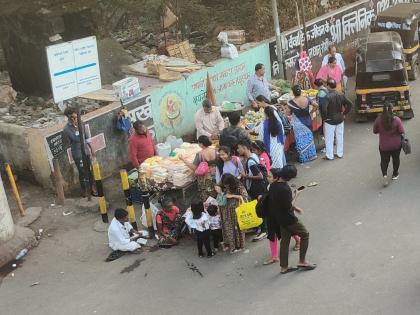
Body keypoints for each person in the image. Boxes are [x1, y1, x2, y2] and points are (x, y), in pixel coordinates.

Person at [266, 166, 316, 274]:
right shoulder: (284, 189)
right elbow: (288, 206)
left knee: (285, 241)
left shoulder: (273, 186)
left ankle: (284, 267)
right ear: (290, 178)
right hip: (289, 219)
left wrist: (296, 208)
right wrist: (297, 196)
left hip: (279, 218)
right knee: (305, 234)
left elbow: (281, 204)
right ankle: (302, 261)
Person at [262, 170, 300, 266]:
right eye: (267, 176)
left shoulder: (282, 188)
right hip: (271, 216)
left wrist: (296, 200)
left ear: (276, 178)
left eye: (270, 176)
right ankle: (274, 256)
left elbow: (288, 205)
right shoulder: (270, 186)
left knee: (288, 230)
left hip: (281, 216)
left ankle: (298, 241)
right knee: (272, 234)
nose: (267, 178)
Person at [237, 140, 269, 241]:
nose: (238, 150)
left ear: (244, 147)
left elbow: (259, 176)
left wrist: (246, 176)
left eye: (239, 148)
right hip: (260, 187)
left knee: (260, 208)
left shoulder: (250, 161)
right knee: (260, 207)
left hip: (257, 187)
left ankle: (264, 230)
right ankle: (260, 228)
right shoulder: (254, 156)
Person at [63, 107, 97, 197]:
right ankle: (84, 190)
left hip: (85, 150)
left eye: (75, 114)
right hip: (77, 152)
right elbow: (74, 140)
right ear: (69, 116)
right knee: (82, 172)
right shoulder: (67, 129)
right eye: (73, 115)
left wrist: (91, 148)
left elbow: (86, 136)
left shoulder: (81, 123)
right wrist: (77, 128)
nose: (75, 116)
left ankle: (92, 188)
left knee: (89, 170)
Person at [373, 102, 405, 187]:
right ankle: (395, 174)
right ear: (392, 109)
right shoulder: (396, 119)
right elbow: (402, 131)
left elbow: (375, 131)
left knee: (384, 161)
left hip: (384, 145)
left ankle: (385, 175)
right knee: (396, 159)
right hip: (396, 145)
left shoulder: (379, 119)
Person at [322, 79, 353, 160]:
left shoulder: (327, 97)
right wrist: (344, 113)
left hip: (330, 120)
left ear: (328, 86)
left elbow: (324, 109)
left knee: (329, 138)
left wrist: (325, 118)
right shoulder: (341, 95)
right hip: (340, 119)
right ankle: (340, 153)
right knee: (340, 137)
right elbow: (350, 104)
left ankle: (329, 155)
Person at [181, 135, 217, 201]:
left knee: (206, 194)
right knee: (214, 191)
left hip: (205, 178)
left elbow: (194, 168)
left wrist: (184, 160)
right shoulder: (214, 151)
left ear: (201, 144)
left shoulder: (200, 154)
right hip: (215, 174)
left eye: (199, 143)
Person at [288, 85, 318, 163]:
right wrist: (311, 112)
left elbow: (288, 113)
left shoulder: (291, 102)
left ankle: (304, 158)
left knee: (300, 139)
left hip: (298, 123)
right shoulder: (307, 99)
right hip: (307, 121)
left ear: (293, 93)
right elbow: (316, 105)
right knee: (309, 137)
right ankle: (312, 155)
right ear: (300, 91)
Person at [220, 174, 248, 253]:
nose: (226, 186)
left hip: (237, 212)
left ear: (231, 182)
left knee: (238, 229)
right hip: (227, 212)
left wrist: (233, 196)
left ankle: (239, 246)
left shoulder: (239, 187)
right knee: (229, 229)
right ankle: (232, 245)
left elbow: (245, 197)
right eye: (224, 184)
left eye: (227, 184)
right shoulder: (226, 186)